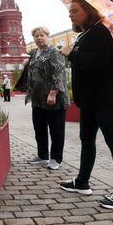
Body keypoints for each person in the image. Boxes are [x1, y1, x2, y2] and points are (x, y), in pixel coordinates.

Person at [59, 0, 113, 210]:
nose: (70, 14)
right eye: (70, 11)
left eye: (74, 10)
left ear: (88, 11)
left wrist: (72, 53)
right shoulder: (85, 34)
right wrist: (74, 51)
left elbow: (102, 62)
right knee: (87, 140)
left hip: (106, 98)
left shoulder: (100, 32)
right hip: (90, 101)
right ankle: (82, 182)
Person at [25, 26, 70, 170]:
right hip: (38, 99)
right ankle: (42, 155)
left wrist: (53, 92)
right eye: (36, 36)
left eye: (42, 35)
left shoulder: (54, 52)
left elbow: (59, 73)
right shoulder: (34, 53)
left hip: (53, 99)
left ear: (47, 36)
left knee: (56, 129)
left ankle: (56, 158)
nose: (39, 38)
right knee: (39, 128)